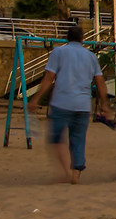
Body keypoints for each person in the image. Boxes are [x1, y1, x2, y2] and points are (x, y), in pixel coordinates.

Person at [33, 27, 103, 183]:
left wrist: (36, 98)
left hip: (62, 102)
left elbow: (49, 77)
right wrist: (105, 104)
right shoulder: (91, 56)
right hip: (83, 104)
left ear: (67, 38)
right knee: (78, 139)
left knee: (56, 138)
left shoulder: (58, 52)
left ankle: (66, 171)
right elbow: (100, 81)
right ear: (82, 39)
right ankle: (76, 171)